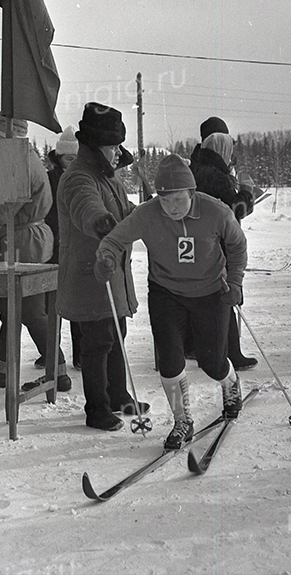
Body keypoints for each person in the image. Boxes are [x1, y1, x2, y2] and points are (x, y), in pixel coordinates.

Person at [95, 154, 247, 450]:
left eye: (178, 200)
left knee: (212, 361)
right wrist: (106, 258)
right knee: (170, 359)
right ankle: (182, 420)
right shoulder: (148, 213)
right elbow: (114, 240)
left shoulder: (216, 212)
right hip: (166, 292)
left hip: (211, 292)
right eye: (165, 200)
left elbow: (238, 245)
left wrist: (236, 281)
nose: (172, 207)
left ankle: (230, 384)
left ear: (191, 193)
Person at [56, 102, 148, 431]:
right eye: (112, 146)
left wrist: (148, 214)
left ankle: (119, 395)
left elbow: (123, 208)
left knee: (117, 334)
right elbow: (86, 206)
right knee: (98, 342)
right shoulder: (79, 177)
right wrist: (101, 222)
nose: (116, 152)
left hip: (110, 273)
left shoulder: (107, 178)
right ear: (97, 146)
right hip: (90, 276)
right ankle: (97, 408)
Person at [0, 113, 70, 393]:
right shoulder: (22, 157)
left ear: (8, 137)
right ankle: (3, 369)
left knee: (30, 311)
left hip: (26, 241)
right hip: (23, 237)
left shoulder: (18, 163)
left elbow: (2, 210)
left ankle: (58, 370)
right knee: (12, 308)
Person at [189, 127, 256, 369]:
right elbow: (235, 210)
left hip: (199, 242)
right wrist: (247, 193)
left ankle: (207, 349)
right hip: (218, 242)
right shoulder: (216, 175)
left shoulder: (196, 168)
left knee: (206, 297)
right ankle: (230, 353)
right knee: (226, 294)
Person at [45, 126, 82, 370]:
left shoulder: (83, 177)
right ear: (59, 157)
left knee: (79, 303)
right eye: (69, 158)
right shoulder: (49, 179)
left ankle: (80, 354)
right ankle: (51, 351)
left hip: (76, 246)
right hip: (54, 246)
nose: (72, 162)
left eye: (76, 158)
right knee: (53, 305)